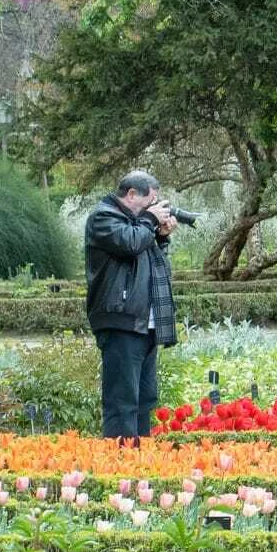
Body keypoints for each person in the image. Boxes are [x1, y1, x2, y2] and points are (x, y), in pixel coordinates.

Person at [84, 170, 179, 440]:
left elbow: (152, 262)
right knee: (122, 400)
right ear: (132, 194)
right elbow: (129, 243)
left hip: (145, 323)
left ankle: (141, 463)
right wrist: (150, 221)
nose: (153, 209)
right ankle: (119, 467)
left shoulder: (140, 225)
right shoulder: (103, 218)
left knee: (145, 398)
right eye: (150, 202)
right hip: (120, 320)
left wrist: (160, 237)